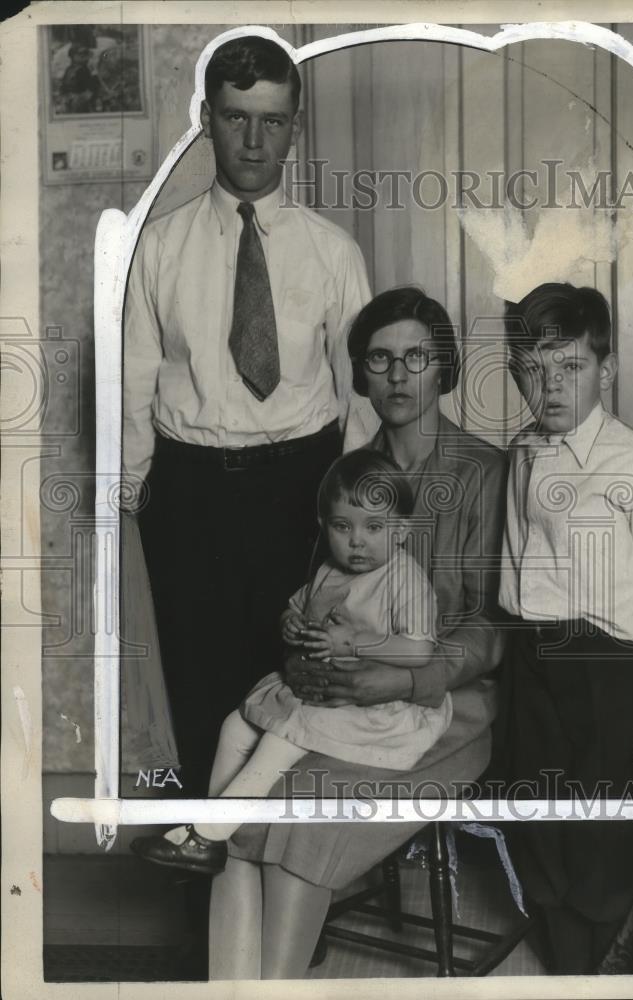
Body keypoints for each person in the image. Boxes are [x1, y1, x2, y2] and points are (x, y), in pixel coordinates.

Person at [207, 286, 508, 979]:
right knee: (234, 787)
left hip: (443, 708)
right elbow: (322, 600)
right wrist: (305, 656)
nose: (398, 375)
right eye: (380, 359)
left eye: (415, 358)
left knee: (298, 805)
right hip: (334, 697)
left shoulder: (483, 473)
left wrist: (405, 678)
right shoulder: (346, 476)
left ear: (444, 369)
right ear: (360, 373)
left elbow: (491, 626)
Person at [122, 35, 371, 797]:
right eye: (236, 119)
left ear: (293, 125)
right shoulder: (158, 250)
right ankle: (205, 860)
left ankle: (282, 877)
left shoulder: (332, 253)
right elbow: (133, 381)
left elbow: (358, 394)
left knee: (292, 677)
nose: (254, 140)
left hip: (301, 485)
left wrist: (356, 504)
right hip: (190, 488)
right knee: (198, 678)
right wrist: (131, 495)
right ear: (206, 119)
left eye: (272, 120)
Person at [130, 449, 453, 873]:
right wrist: (290, 623)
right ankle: (212, 836)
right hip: (319, 693)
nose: (357, 540)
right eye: (343, 527)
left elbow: (419, 650)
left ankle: (205, 834)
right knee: (235, 725)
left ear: (401, 531)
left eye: (374, 527)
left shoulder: (404, 578)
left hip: (374, 707)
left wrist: (352, 643)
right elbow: (299, 608)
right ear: (324, 527)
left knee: (280, 738)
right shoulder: (329, 571)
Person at [497, 282, 633, 973]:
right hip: (532, 661)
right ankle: (565, 968)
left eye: (570, 367)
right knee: (539, 822)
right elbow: (519, 567)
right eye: (533, 368)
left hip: (607, 669)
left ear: (604, 371)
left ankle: (602, 970)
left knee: (600, 835)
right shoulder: (521, 452)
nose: (550, 386)